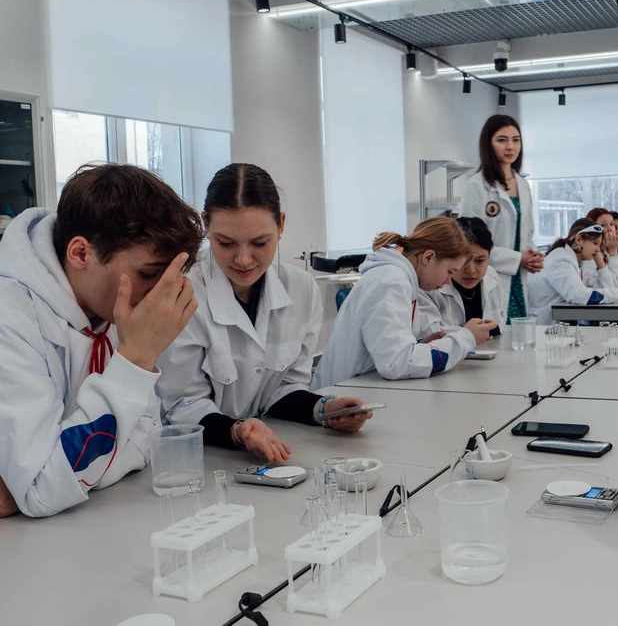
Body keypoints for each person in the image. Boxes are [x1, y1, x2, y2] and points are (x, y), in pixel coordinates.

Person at [0, 164, 204, 518]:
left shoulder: (107, 300)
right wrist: (135, 359)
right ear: (81, 254)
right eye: (150, 274)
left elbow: (146, 436)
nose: (161, 295)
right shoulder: (10, 315)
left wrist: (67, 480)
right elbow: (43, 487)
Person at [157, 164, 371, 464]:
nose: (243, 259)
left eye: (260, 243)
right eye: (226, 243)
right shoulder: (183, 292)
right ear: (205, 224)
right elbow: (182, 406)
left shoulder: (301, 289)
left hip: (267, 453)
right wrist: (238, 431)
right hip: (198, 458)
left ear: (281, 225)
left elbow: (284, 388)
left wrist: (322, 408)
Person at [314, 217, 498, 387]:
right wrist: (466, 338)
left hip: (358, 385)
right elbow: (396, 363)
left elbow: (387, 349)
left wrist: (421, 345)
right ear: (428, 257)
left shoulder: (400, 278)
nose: (448, 281)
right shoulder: (391, 281)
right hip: (340, 394)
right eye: (450, 271)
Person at [459, 115, 543, 323]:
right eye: (502, 140)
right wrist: (518, 258)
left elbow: (527, 234)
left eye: (516, 140)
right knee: (495, 331)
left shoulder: (523, 185)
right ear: (488, 144)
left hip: (518, 279)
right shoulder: (477, 185)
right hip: (489, 276)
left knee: (519, 333)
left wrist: (532, 255)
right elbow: (469, 242)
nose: (510, 147)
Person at [527, 218, 618, 325]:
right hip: (543, 327)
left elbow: (606, 288)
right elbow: (581, 296)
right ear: (578, 239)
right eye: (595, 243)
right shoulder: (561, 260)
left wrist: (598, 257)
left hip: (557, 326)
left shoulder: (579, 261)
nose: (597, 250)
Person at [419, 217, 504, 335]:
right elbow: (427, 331)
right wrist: (469, 334)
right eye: (463, 262)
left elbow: (500, 317)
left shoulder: (492, 277)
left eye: (480, 260)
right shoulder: (430, 285)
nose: (471, 270)